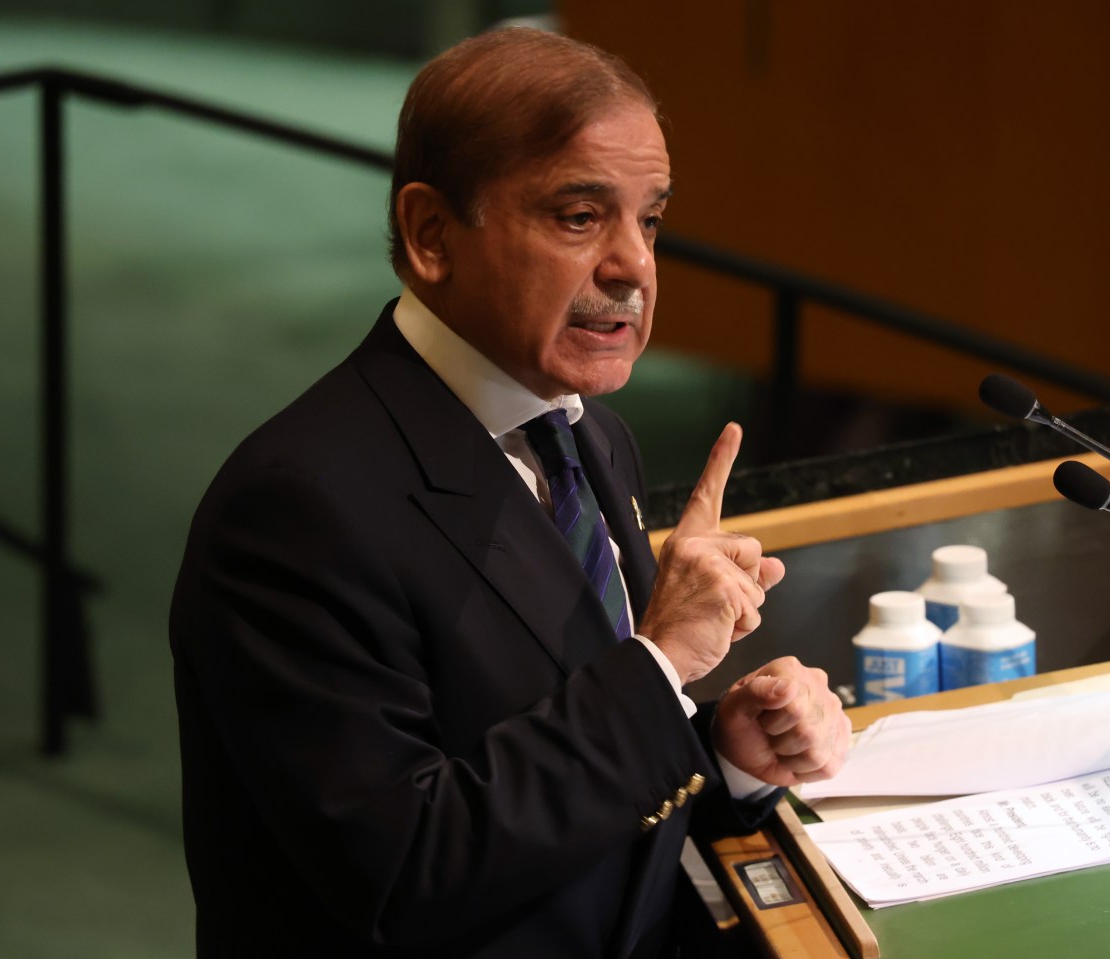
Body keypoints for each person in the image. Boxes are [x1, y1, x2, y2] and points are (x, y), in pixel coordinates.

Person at [170, 26, 850, 959]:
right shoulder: (297, 510)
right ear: (432, 234)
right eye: (579, 216)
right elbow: (405, 874)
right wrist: (660, 670)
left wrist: (727, 755)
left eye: (648, 219)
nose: (634, 266)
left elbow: (568, 755)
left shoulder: (585, 434)